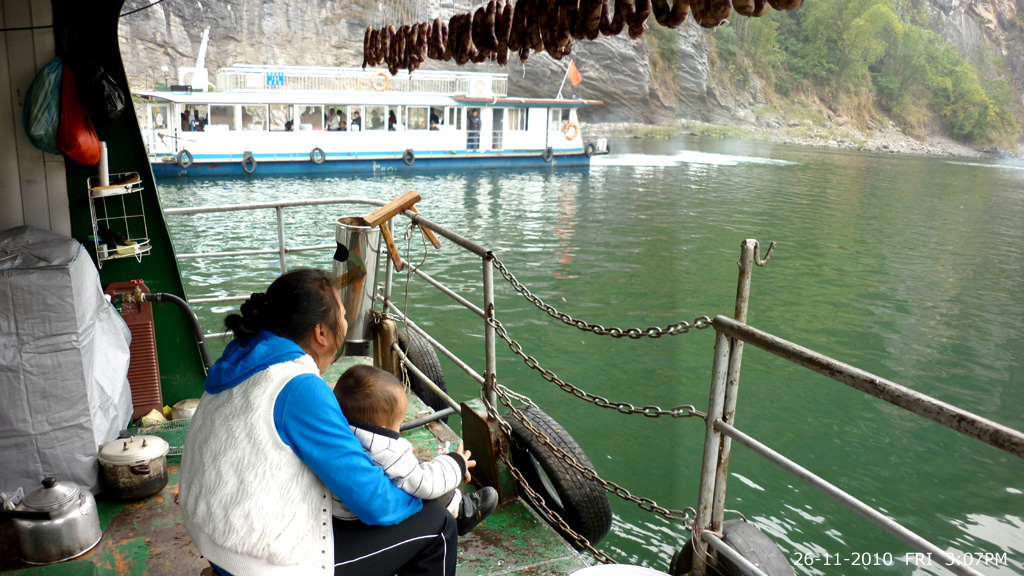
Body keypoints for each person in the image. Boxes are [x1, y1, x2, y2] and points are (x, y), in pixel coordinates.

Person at [179, 269, 458, 576]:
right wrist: (427, 497)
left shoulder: (241, 357)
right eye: (343, 315)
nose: (346, 323)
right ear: (321, 333)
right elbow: (376, 503)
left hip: (215, 537)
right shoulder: (299, 388)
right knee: (438, 524)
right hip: (258, 562)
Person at [332, 365, 498, 536]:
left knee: (410, 471)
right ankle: (460, 512)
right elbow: (424, 484)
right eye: (398, 425)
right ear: (382, 429)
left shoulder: (340, 432)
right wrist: (456, 463)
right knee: (424, 481)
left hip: (341, 509)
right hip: (363, 522)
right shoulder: (386, 449)